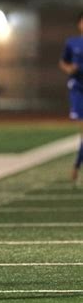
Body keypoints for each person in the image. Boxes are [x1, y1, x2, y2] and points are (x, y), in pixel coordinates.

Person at [59, 12, 83, 184]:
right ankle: (76, 166)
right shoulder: (72, 42)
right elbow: (63, 62)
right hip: (78, 91)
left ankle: (76, 166)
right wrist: (69, 69)